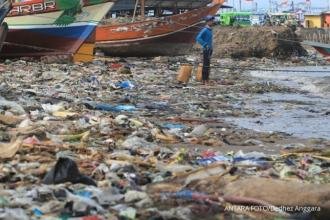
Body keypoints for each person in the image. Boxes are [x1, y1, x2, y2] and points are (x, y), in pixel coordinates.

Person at [196, 15, 215, 85]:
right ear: (208, 22)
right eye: (211, 21)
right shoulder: (205, 30)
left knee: (208, 64)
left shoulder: (210, 29)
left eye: (213, 20)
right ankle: (204, 80)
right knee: (206, 65)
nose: (212, 22)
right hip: (206, 49)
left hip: (210, 49)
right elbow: (198, 38)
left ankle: (206, 79)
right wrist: (205, 44)